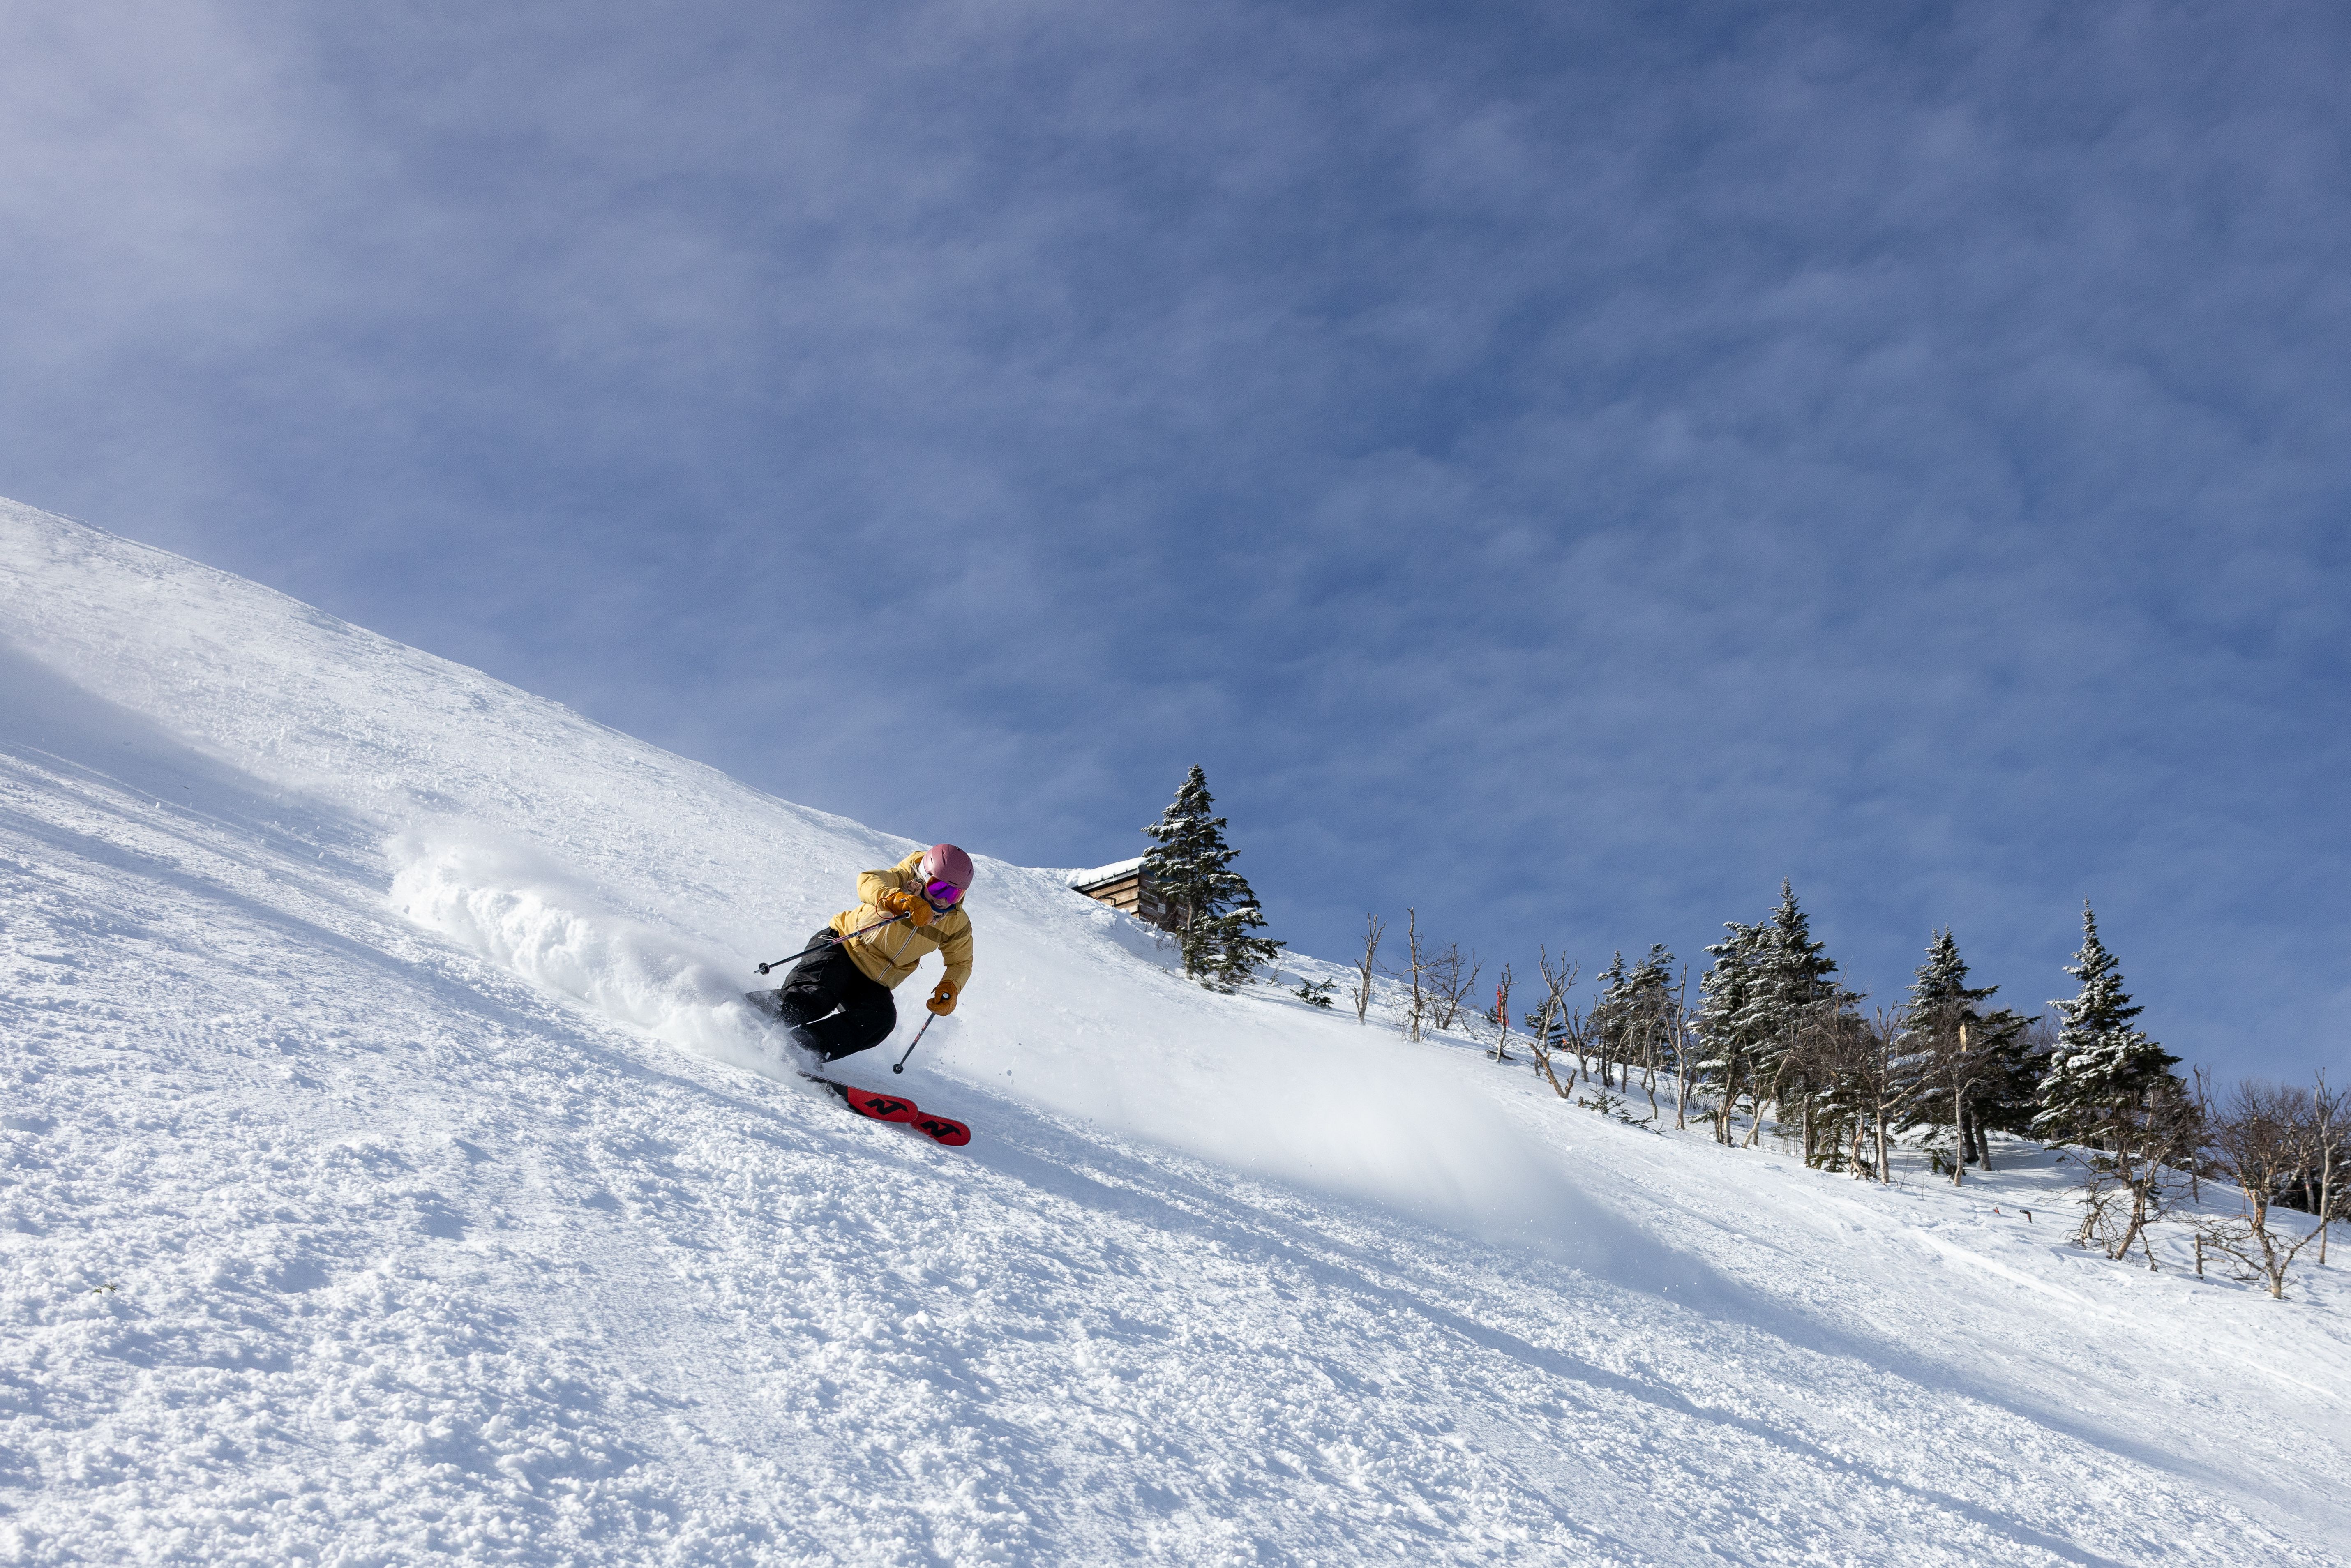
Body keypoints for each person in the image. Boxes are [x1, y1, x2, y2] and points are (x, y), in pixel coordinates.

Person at [774, 843, 973, 1062]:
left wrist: (951, 986)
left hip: (873, 980)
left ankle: (802, 1048)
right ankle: (753, 1013)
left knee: (880, 1020)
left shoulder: (956, 923)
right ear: (925, 877)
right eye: (939, 888)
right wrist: (896, 899)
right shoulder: (904, 879)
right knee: (814, 998)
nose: (944, 900)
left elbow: (961, 962)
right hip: (843, 947)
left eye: (954, 894)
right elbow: (868, 880)